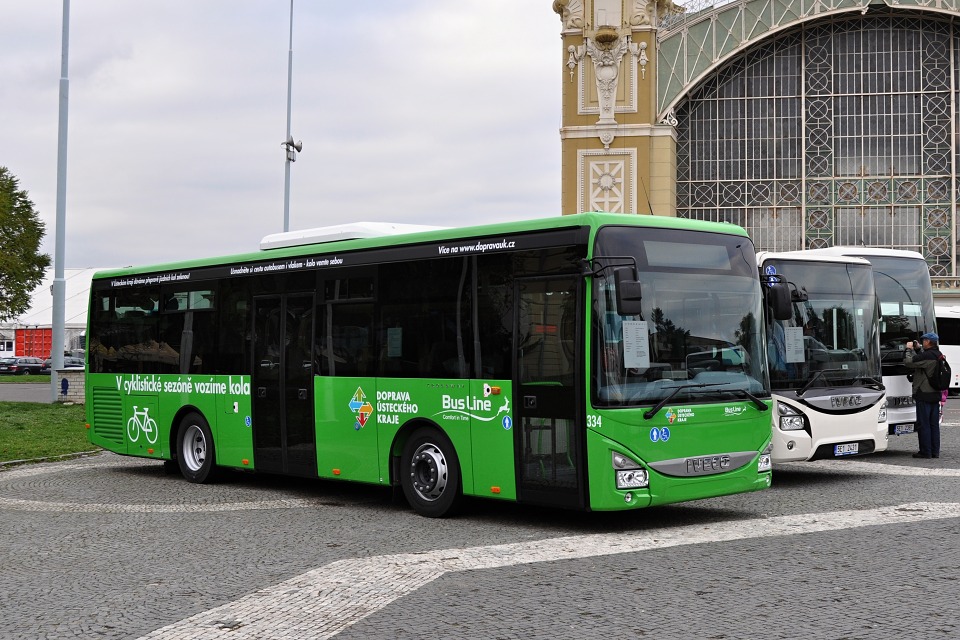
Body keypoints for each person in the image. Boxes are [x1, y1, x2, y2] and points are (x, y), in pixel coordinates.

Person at [904, 332, 943, 459]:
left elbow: (909, 362)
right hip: (935, 394)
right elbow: (922, 359)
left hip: (924, 394)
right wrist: (918, 349)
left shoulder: (927, 356)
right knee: (933, 425)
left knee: (924, 424)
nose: (922, 342)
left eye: (923, 340)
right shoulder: (938, 354)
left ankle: (925, 451)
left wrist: (908, 349)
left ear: (927, 342)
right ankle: (934, 451)